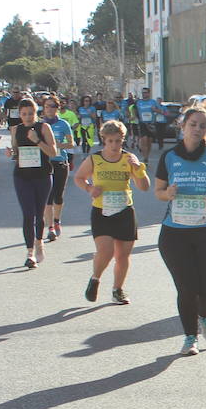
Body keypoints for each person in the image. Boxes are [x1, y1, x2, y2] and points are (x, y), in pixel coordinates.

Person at [154, 102, 206, 356]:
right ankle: (190, 337)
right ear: (182, 126)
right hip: (174, 233)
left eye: (202, 126)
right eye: (192, 125)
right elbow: (158, 192)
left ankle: (205, 313)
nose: (197, 129)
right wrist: (168, 193)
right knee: (187, 288)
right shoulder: (170, 157)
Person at [74, 120, 149, 304]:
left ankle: (118, 289)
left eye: (118, 141)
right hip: (102, 211)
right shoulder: (95, 159)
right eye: (110, 141)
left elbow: (144, 187)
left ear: (122, 140)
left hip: (124, 211)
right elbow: (79, 177)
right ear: (104, 140)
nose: (114, 145)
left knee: (123, 255)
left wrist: (138, 170)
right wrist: (90, 189)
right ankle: (95, 278)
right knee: (105, 251)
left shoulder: (128, 158)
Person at [10, 98, 59, 269]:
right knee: (27, 214)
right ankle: (30, 252)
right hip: (22, 176)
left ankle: (39, 243)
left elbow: (53, 152)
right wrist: (12, 154)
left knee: (39, 213)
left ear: (36, 112)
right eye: (24, 114)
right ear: (20, 114)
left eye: (31, 113)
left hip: (42, 176)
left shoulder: (44, 127)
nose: (28, 117)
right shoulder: (15, 130)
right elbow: (16, 154)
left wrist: (37, 140)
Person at [41, 96, 76, 242]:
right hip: (45, 163)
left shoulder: (63, 124)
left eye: (53, 106)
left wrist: (58, 146)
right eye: (47, 106)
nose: (50, 109)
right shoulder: (40, 125)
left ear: (57, 108)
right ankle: (50, 227)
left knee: (58, 196)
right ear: (44, 108)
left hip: (60, 162)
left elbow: (71, 144)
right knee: (47, 196)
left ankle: (57, 220)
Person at [134, 87, 164, 160]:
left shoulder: (153, 102)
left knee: (149, 142)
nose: (144, 94)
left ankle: (147, 155)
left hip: (151, 124)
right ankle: (145, 157)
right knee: (144, 139)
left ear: (149, 93)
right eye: (143, 92)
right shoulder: (138, 102)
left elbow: (162, 111)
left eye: (145, 92)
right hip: (142, 123)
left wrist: (155, 109)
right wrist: (134, 117)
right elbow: (135, 111)